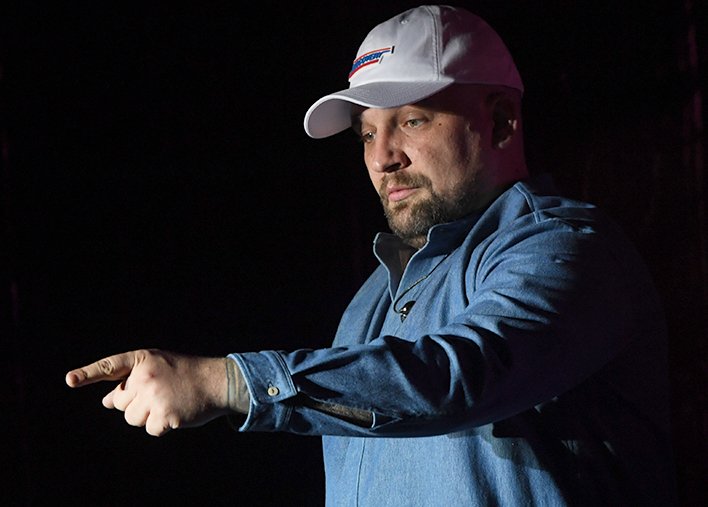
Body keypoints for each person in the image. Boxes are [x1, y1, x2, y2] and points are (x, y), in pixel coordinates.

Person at [66, 5, 677, 505]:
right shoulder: (369, 302)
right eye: (367, 133)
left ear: (500, 124)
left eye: (413, 121)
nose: (383, 157)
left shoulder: (566, 248)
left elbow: (459, 375)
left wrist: (229, 382)